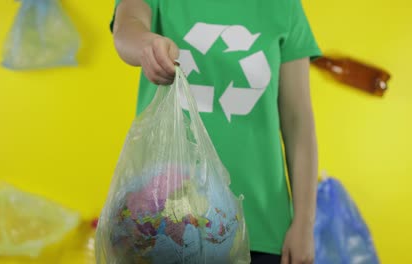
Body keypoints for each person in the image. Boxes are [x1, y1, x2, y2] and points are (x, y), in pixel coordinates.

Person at [110, 0, 320, 263]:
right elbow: (127, 27)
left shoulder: (284, 6)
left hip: (262, 227)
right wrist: (147, 46)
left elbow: (298, 121)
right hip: (164, 223)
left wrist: (304, 222)